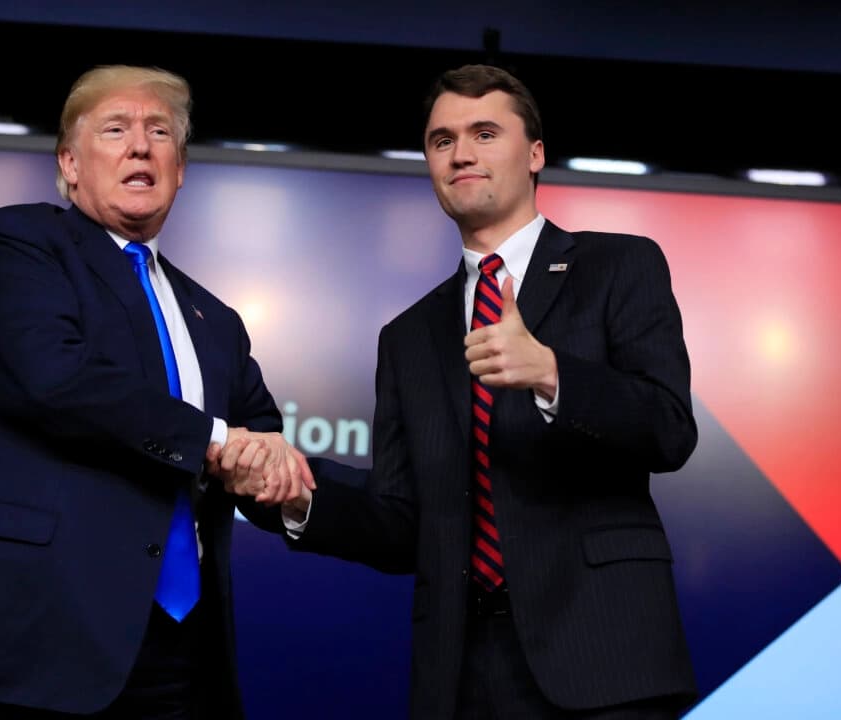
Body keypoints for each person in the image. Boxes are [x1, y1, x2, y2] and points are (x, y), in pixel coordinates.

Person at [215, 64, 698, 719]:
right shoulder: (409, 336)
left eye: (484, 133)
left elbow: (669, 429)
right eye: (442, 140)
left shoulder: (619, 265)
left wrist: (552, 372)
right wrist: (303, 501)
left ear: (535, 155)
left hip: (605, 658)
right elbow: (401, 521)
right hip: (463, 672)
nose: (461, 152)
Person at [0, 64, 309, 720]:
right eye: (115, 129)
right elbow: (53, 381)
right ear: (68, 163)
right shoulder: (17, 244)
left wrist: (295, 482)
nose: (141, 146)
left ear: (180, 170)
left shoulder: (217, 320)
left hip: (166, 660)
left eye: (159, 133)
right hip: (4, 645)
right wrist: (213, 439)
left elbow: (264, 445)